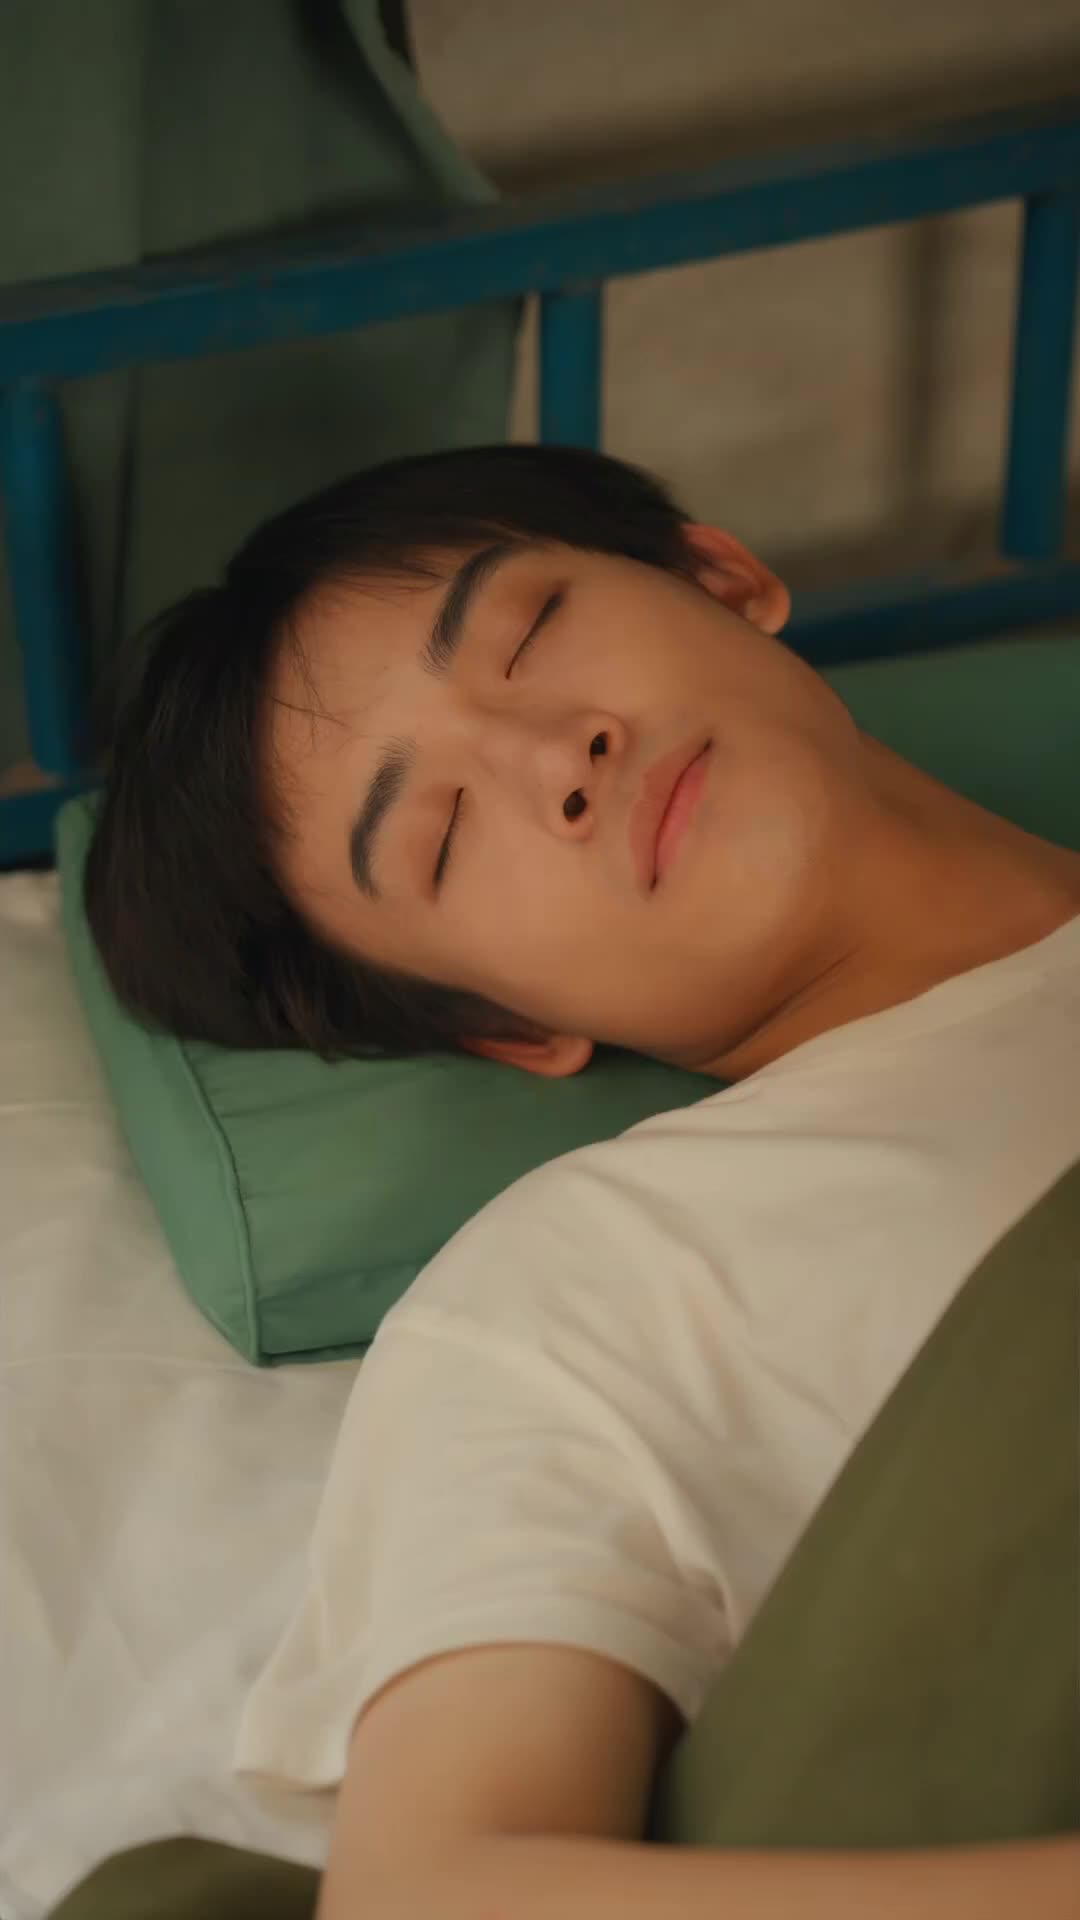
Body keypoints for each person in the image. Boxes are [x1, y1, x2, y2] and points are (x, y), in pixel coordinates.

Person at [87, 445, 1080, 1917]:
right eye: (440, 835)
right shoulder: (591, 1287)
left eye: (531, 632)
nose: (555, 758)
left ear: (720, 579)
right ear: (507, 1026)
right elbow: (439, 1892)